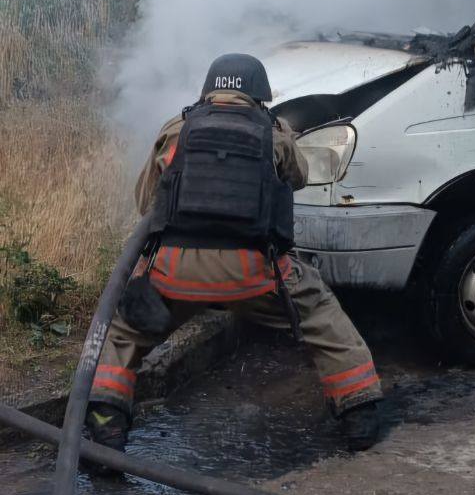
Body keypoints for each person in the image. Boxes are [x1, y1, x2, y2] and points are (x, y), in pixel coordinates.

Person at [84, 53, 384, 459]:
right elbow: (299, 177)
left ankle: (105, 425)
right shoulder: (274, 132)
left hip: (174, 270)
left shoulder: (176, 130)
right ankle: (359, 412)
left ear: (209, 90)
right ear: (259, 94)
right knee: (321, 314)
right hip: (253, 270)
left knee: (124, 333)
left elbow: (145, 204)